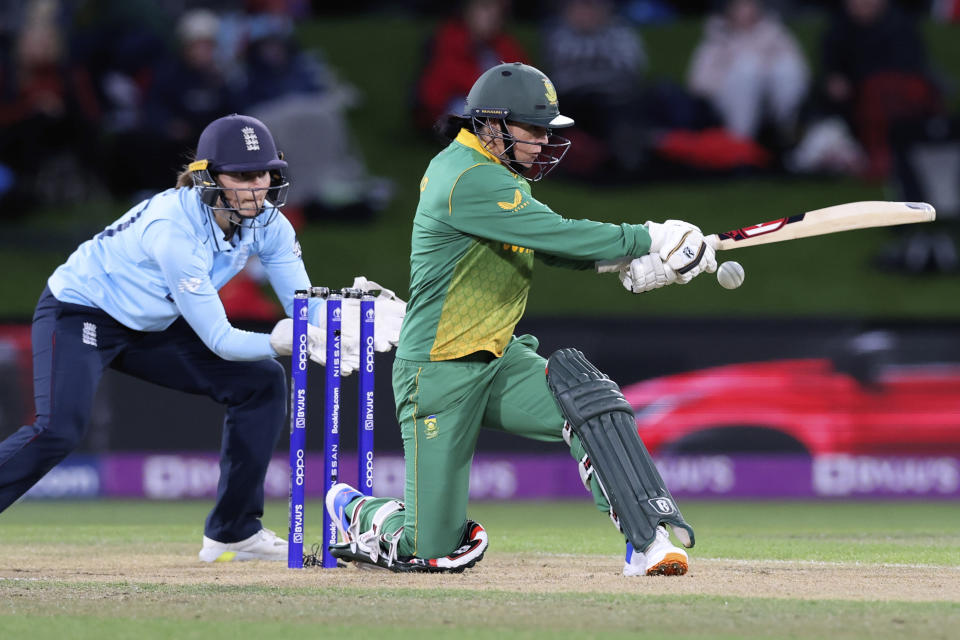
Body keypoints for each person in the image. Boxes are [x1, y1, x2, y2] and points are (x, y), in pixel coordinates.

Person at [324, 63, 717, 577]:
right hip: (439, 370)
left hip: (500, 357)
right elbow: (556, 234)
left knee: (591, 404)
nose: (541, 142)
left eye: (546, 130)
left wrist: (634, 263)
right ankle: (360, 511)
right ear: (490, 124)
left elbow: (549, 246)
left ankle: (648, 541)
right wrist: (649, 238)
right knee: (435, 551)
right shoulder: (466, 177)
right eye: (532, 130)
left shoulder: (497, 173)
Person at [0, 114, 405, 562]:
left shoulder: (270, 223)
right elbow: (219, 339)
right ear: (208, 178)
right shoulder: (173, 229)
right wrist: (280, 341)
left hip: (152, 321)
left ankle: (234, 532)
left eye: (264, 173)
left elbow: (302, 306)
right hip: (81, 312)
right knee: (59, 429)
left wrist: (353, 317)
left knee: (260, 383)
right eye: (243, 176)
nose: (257, 186)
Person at [686, 0, 809, 144]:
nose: (747, 11)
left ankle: (789, 129)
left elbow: (799, 69)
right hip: (729, 102)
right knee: (747, 69)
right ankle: (742, 142)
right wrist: (732, 74)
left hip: (771, 101)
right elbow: (697, 82)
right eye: (741, 6)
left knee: (786, 67)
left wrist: (763, 73)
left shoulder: (775, 33)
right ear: (729, 10)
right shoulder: (717, 39)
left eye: (751, 5)